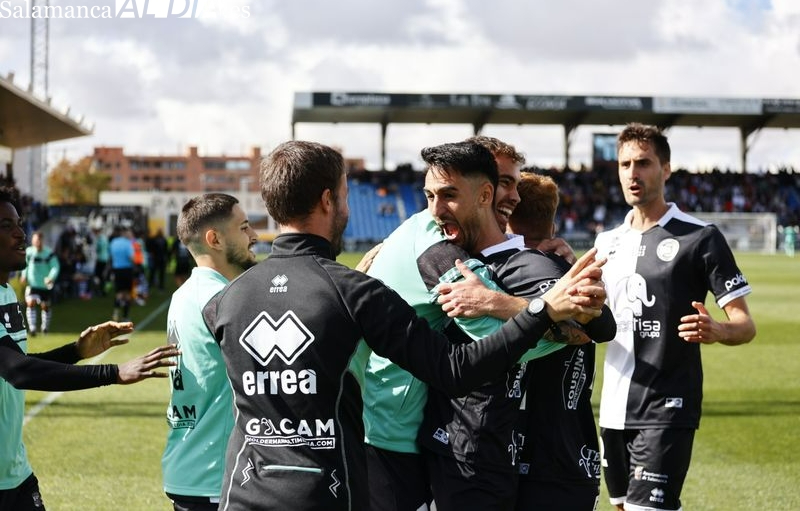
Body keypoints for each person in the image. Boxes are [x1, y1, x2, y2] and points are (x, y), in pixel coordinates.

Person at [202, 140, 607, 511]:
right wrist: (547, 314)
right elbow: (462, 363)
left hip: (246, 491)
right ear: (329, 201)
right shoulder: (367, 285)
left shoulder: (223, 303)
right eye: (345, 196)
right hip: (369, 454)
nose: (512, 197)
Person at [359, 137, 582, 511]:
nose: (514, 195)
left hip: (397, 423)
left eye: (447, 195)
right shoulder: (439, 251)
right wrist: (565, 325)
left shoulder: (428, 234)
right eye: (431, 195)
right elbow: (495, 342)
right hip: (390, 431)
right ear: (484, 191)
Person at [415, 155, 615, 511]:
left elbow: (593, 328)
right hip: (535, 460)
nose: (511, 195)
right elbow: (593, 327)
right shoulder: (474, 262)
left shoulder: (528, 269)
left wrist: (497, 302)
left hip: (540, 465)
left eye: (510, 184)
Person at [595, 123, 756, 511]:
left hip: (668, 404)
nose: (632, 173)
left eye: (643, 163)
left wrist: (718, 330)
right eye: (625, 164)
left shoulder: (700, 237)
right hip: (613, 405)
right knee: (623, 506)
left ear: (665, 169)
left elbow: (745, 325)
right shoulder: (606, 243)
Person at [0, 187, 180, 511]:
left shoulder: (6, 294)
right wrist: (113, 373)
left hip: (15, 472)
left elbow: (16, 362)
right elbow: (17, 371)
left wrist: (76, 351)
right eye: (6, 226)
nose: (20, 234)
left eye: (19, 224)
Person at [509, 173, 606, 510]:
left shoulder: (503, 276)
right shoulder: (572, 276)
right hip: (574, 453)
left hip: (521, 456)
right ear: (552, 224)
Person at [162, 194, 258, 511]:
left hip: (188, 464)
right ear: (214, 239)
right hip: (216, 473)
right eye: (244, 227)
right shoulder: (223, 299)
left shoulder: (183, 295)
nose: (254, 235)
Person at [20, 231, 59, 335]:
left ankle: (45, 327)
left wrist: (51, 277)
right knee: (30, 303)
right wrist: (24, 275)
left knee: (45, 306)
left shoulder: (49, 253)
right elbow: (25, 264)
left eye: (39, 240)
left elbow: (55, 266)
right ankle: (32, 328)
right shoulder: (29, 252)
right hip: (32, 284)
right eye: (35, 240)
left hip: (44, 285)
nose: (37, 242)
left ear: (42, 241)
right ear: (33, 241)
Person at [109, 227, 135, 321]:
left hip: (117, 269)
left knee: (119, 292)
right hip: (127, 269)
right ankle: (125, 316)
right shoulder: (127, 243)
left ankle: (116, 312)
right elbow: (131, 257)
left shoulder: (113, 242)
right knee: (127, 293)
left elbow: (111, 255)